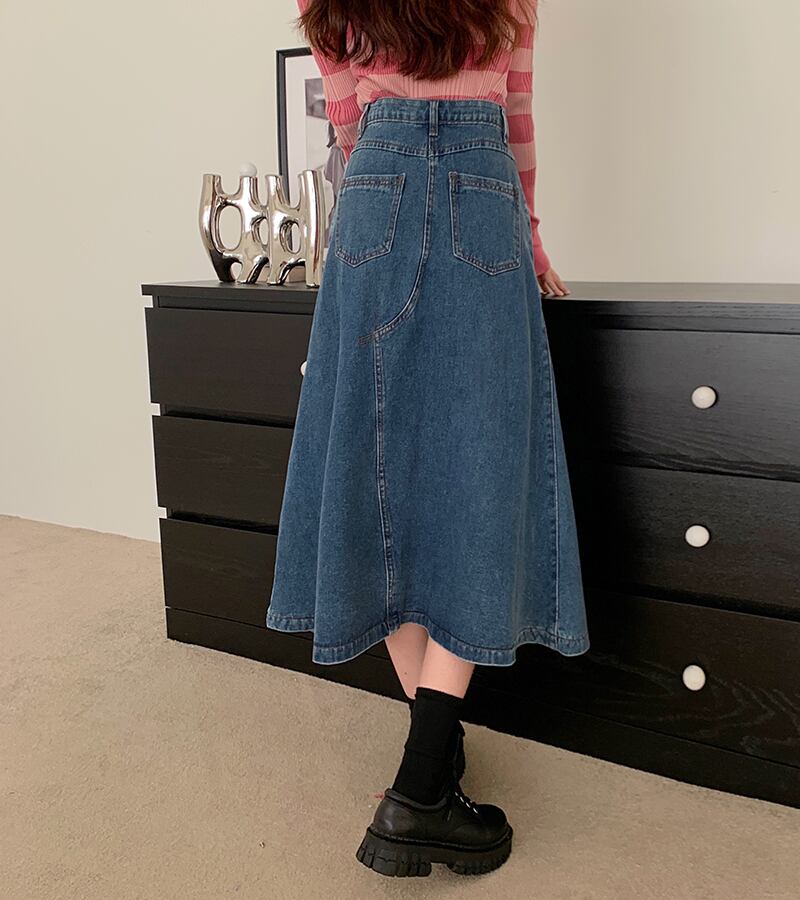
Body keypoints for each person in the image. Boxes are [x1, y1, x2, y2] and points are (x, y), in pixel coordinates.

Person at [266, 0, 590, 877]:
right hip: (481, 191)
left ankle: (431, 761)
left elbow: (345, 122)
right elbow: (516, 118)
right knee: (484, 470)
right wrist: (529, 238)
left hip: (373, 187)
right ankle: (421, 784)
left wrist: (384, 185)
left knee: (371, 468)